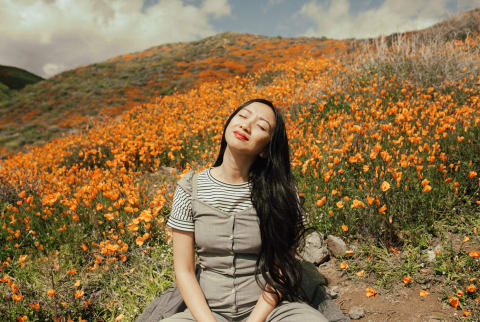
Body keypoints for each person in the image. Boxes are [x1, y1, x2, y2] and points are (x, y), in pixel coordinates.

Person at [163, 99, 328, 321]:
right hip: (206, 313)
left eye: (261, 126)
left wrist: (254, 320)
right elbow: (184, 271)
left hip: (270, 311)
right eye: (242, 116)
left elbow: (281, 269)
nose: (246, 125)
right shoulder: (189, 188)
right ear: (228, 124)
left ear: (266, 150)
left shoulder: (281, 193)